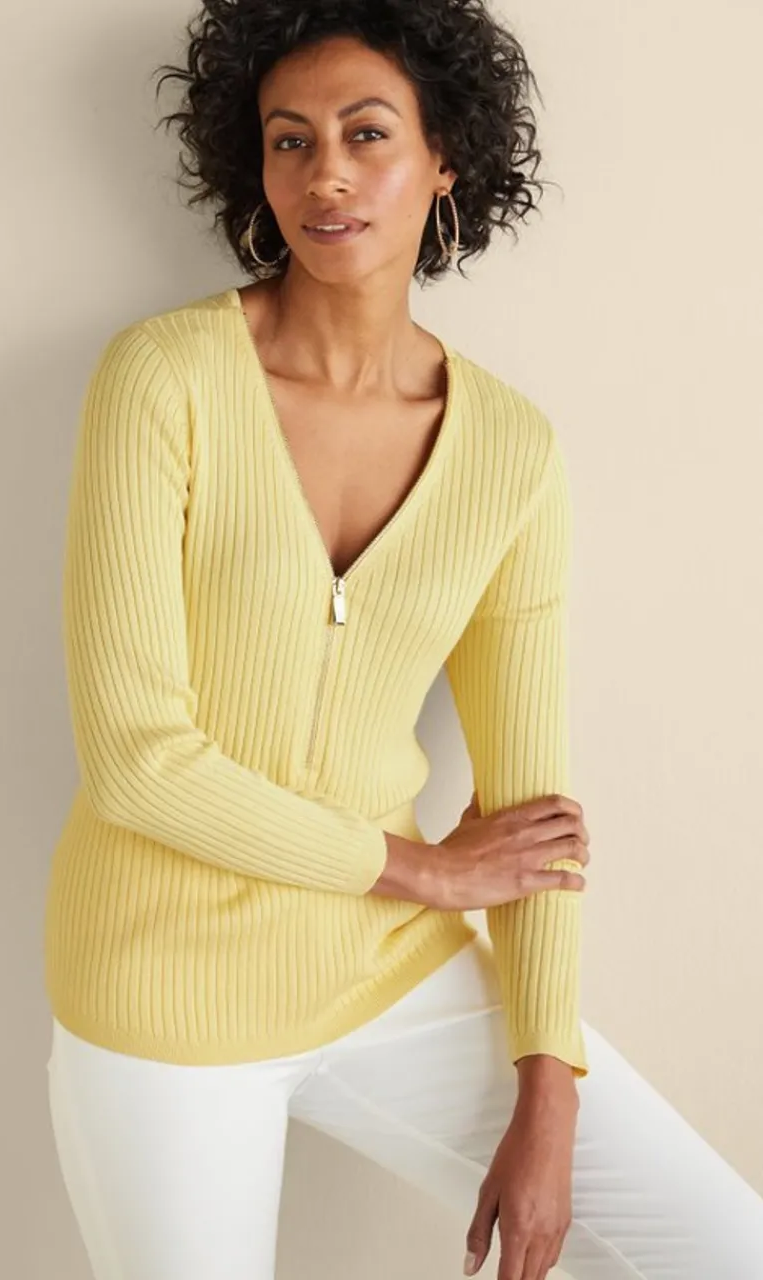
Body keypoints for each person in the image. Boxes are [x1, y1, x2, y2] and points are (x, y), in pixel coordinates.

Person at [42, 2, 763, 1278]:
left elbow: (531, 808)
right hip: (164, 984)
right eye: (290, 139)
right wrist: (424, 869)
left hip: (385, 971)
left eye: (366, 134)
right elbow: (139, 761)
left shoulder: (510, 450)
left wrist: (550, 1086)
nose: (324, 173)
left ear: (444, 160)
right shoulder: (163, 380)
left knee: (725, 1244)